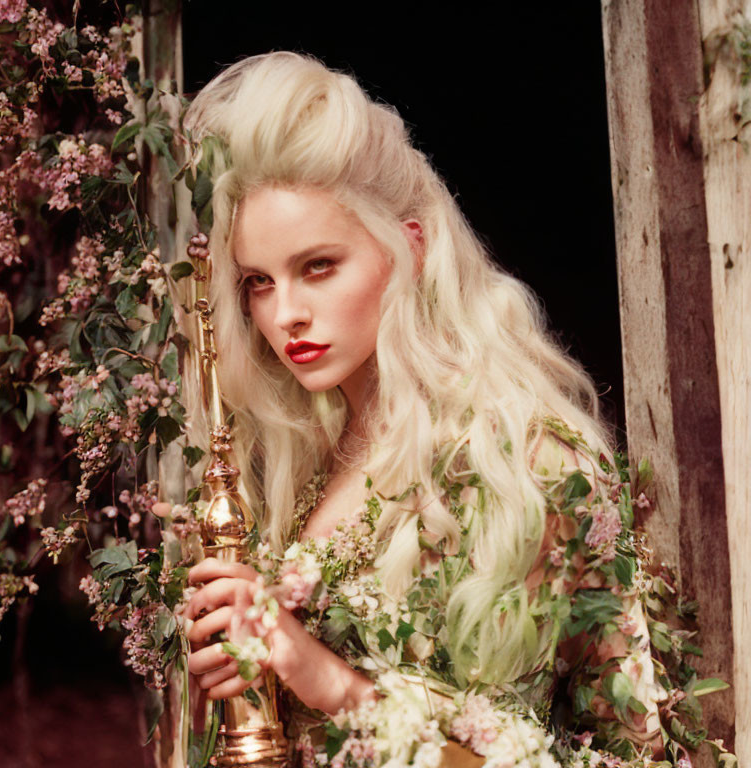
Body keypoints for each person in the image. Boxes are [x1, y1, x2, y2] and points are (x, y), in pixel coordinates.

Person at [163, 51, 727, 768]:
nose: (286, 315)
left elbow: (620, 753)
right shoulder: (316, 462)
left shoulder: (527, 459)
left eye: (318, 266)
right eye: (258, 282)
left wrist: (321, 676)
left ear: (410, 246)